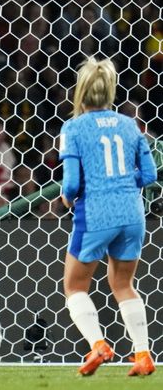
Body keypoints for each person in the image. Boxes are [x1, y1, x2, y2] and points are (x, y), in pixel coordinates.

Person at [58, 57, 157, 377]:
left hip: (96, 213)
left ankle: (98, 344)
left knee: (74, 286)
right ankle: (143, 354)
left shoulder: (73, 128)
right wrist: (125, 185)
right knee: (124, 284)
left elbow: (72, 183)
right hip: (131, 212)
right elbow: (151, 173)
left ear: (81, 93)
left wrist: (68, 196)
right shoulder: (130, 125)